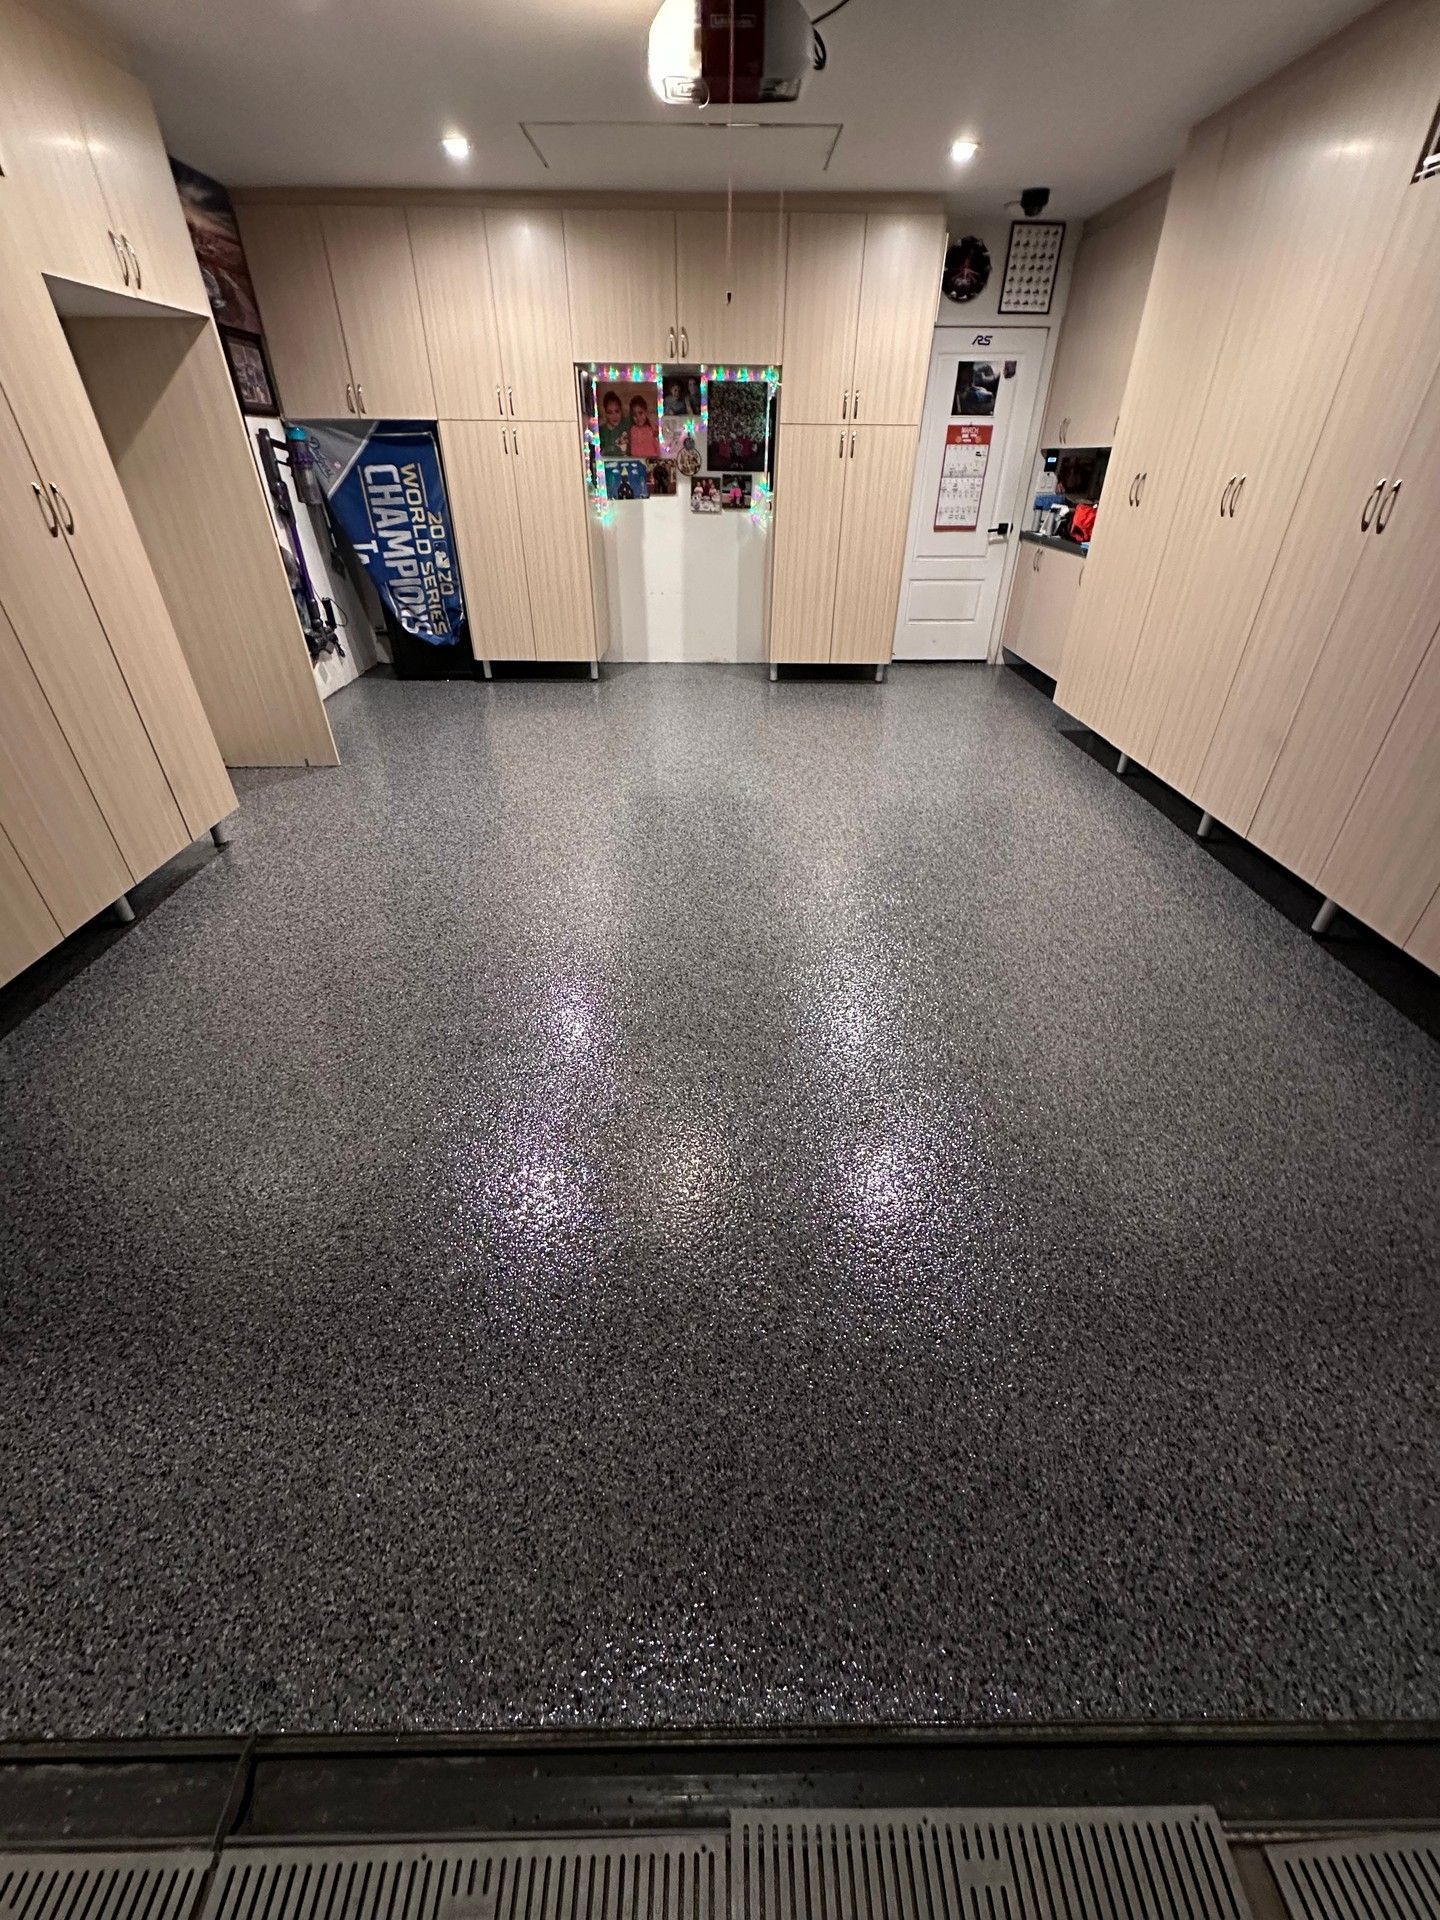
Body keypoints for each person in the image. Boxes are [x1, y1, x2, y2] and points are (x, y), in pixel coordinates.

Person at [627, 393, 661, 458]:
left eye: (640, 413)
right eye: (634, 415)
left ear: (646, 412)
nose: (638, 417)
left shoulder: (652, 427)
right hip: (637, 461)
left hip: (651, 459)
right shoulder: (632, 429)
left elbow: (657, 445)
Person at [598, 391, 628, 456]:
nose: (614, 416)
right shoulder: (601, 431)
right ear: (605, 414)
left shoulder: (627, 425)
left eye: (617, 411)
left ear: (621, 411)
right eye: (610, 412)